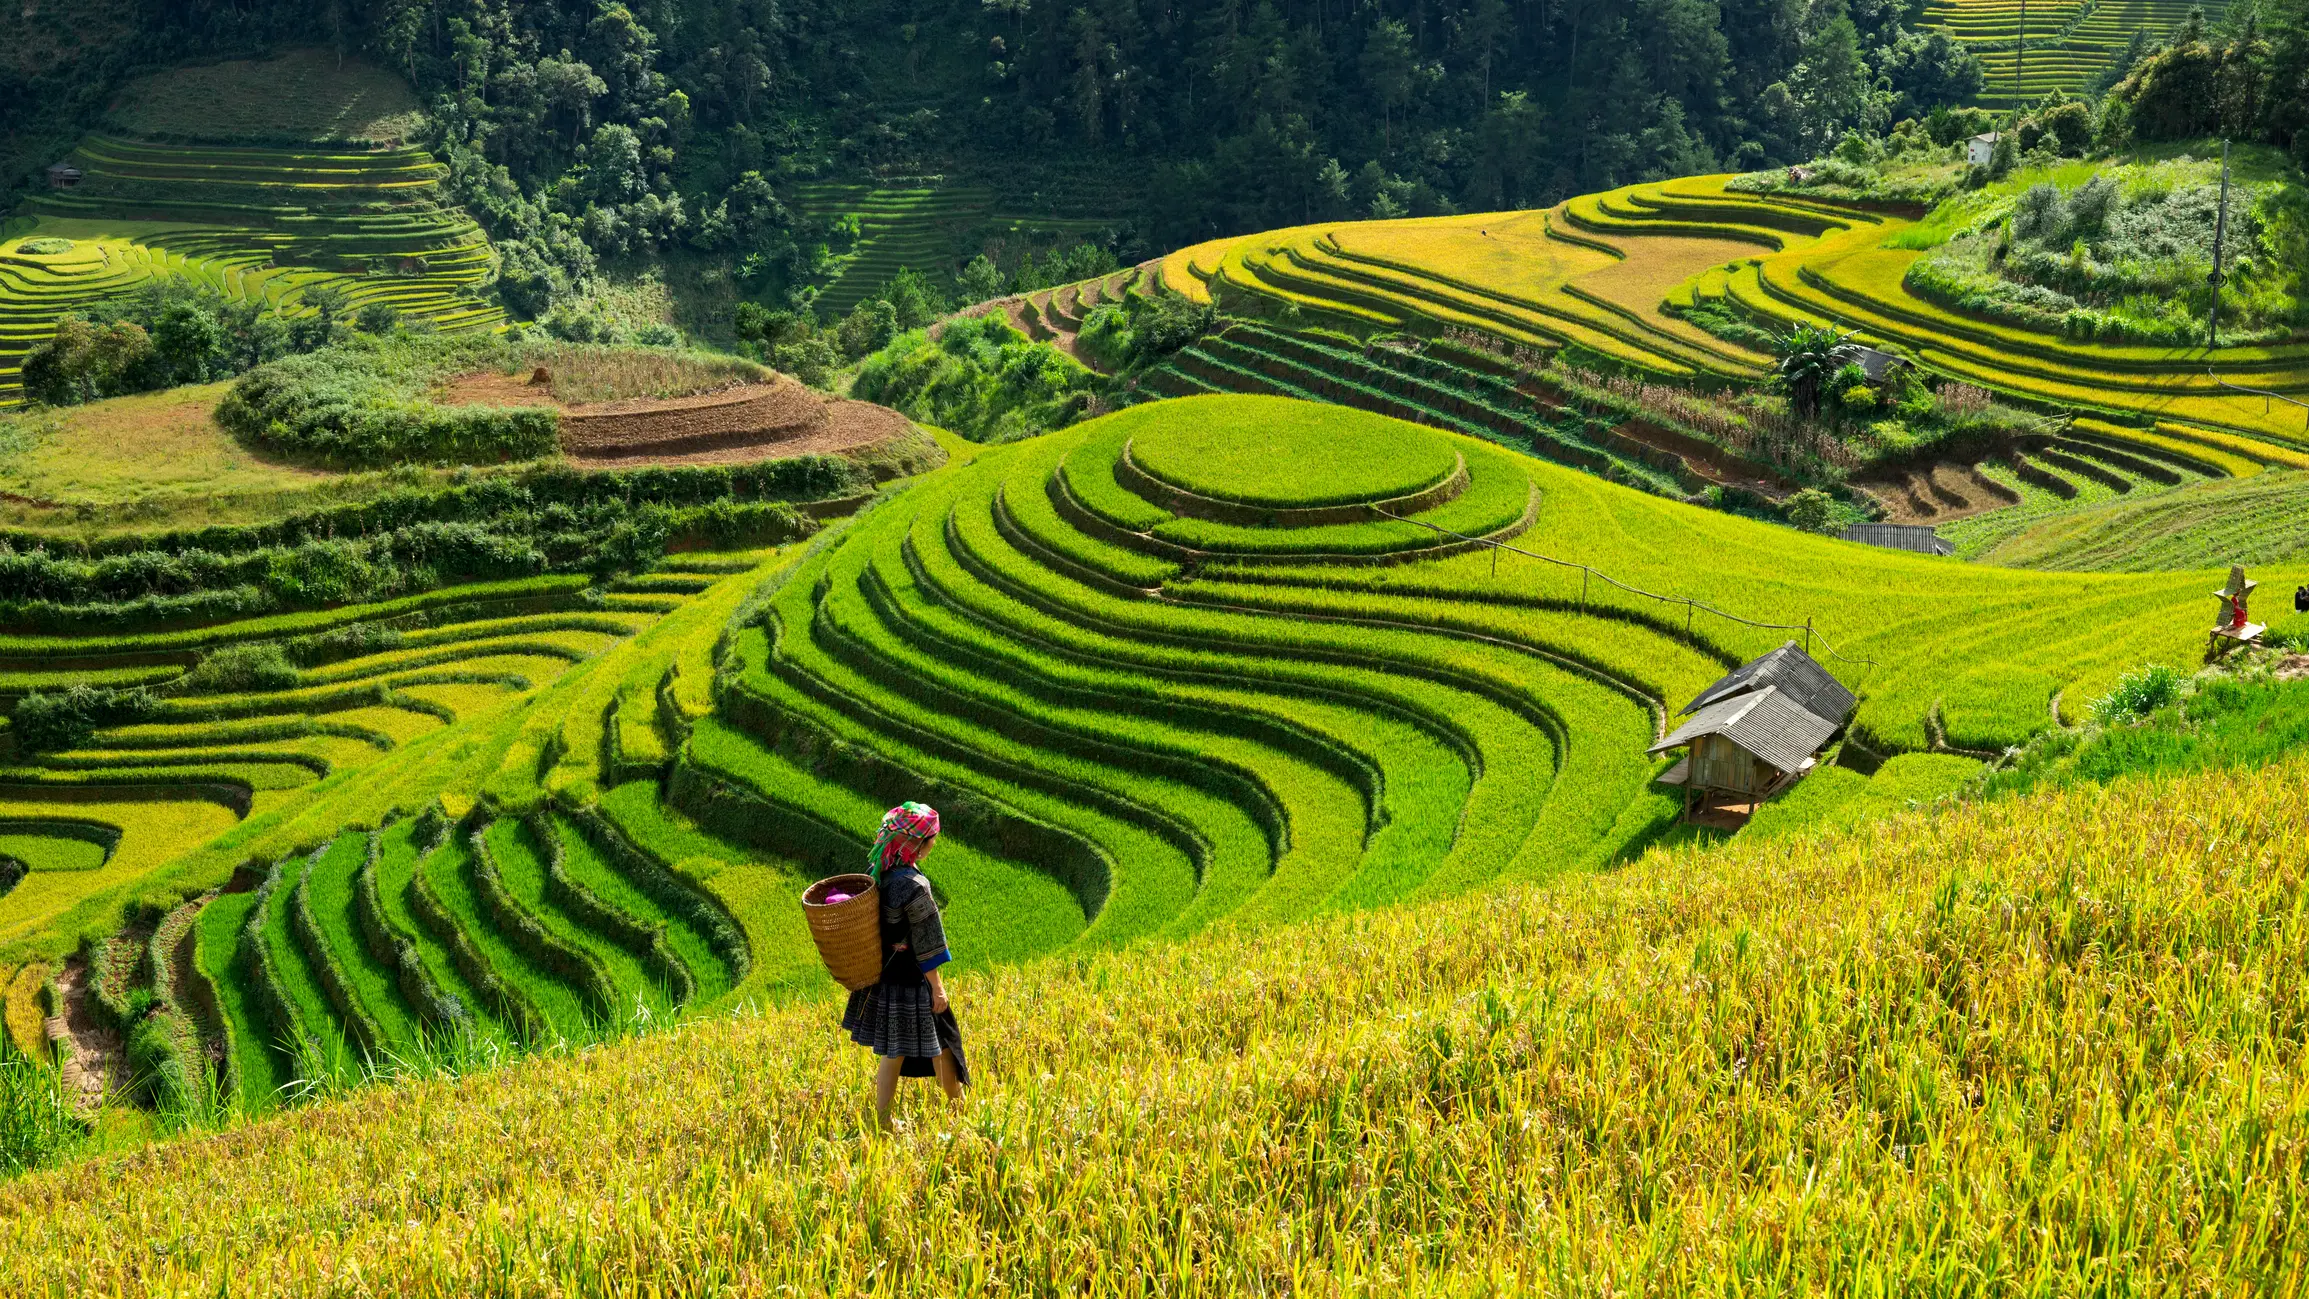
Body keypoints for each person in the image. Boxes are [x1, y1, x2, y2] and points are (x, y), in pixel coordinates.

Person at [842, 802, 967, 1129]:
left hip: (888, 976)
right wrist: (937, 987)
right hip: (913, 978)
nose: (933, 843)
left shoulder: (881, 875)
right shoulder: (915, 886)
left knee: (894, 1051)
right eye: (930, 839)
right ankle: (959, 1114)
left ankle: (882, 1121)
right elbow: (927, 943)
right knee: (943, 1041)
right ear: (916, 844)